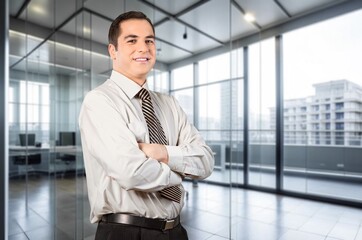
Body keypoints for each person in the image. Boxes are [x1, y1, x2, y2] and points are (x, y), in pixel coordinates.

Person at [78, 11, 214, 240]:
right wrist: (180, 171)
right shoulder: (100, 101)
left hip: (176, 231)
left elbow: (207, 161)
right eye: (132, 41)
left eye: (149, 40)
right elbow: (131, 172)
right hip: (127, 232)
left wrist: (162, 152)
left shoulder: (169, 104)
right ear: (113, 51)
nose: (143, 48)